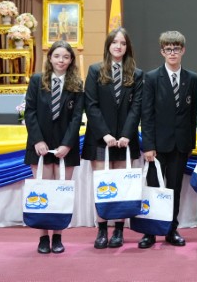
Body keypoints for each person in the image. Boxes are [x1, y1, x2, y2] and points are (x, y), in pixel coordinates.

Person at [82, 28, 143, 249]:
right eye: (115, 42)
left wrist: (126, 134)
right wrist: (105, 134)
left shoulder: (136, 74)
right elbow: (91, 105)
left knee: (122, 186)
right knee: (103, 186)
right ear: (108, 45)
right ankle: (101, 230)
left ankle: (118, 230)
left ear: (128, 47)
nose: (118, 46)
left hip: (126, 140)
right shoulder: (95, 70)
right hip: (100, 139)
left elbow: (137, 107)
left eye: (123, 43)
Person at [23, 40, 84, 254]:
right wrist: (38, 140)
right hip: (40, 145)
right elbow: (30, 112)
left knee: (60, 193)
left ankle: (57, 236)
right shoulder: (37, 80)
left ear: (71, 60)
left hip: (66, 145)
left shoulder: (77, 84)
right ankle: (43, 237)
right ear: (50, 58)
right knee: (43, 191)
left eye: (66, 57)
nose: (61, 60)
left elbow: (77, 117)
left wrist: (67, 144)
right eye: (57, 56)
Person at [140, 31, 197, 249]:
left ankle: (171, 229)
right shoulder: (152, 78)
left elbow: (193, 115)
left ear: (183, 50)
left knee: (174, 189)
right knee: (154, 188)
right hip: (156, 146)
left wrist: (190, 143)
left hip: (180, 145)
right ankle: (149, 232)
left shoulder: (192, 78)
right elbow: (146, 114)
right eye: (168, 49)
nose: (172, 53)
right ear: (162, 52)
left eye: (176, 49)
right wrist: (148, 145)